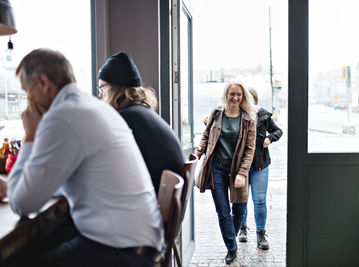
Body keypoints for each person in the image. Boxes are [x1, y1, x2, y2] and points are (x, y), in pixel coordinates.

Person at [7, 48, 164, 267]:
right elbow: (55, 183)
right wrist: (20, 186)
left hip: (122, 252)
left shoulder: (62, 117)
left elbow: (22, 204)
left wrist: (31, 136)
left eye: (27, 92)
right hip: (138, 241)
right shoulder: (93, 107)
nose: (29, 101)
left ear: (43, 82)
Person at [97, 51, 185, 195]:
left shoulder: (125, 119)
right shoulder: (143, 113)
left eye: (102, 89)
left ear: (114, 89)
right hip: (163, 199)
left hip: (151, 201)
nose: (99, 96)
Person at [195, 81, 256, 264]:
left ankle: (231, 237)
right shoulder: (216, 114)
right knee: (223, 211)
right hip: (217, 169)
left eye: (238, 94)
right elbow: (206, 135)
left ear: (243, 97)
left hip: (238, 171)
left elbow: (250, 149)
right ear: (226, 95)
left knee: (239, 210)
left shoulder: (248, 119)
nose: (235, 98)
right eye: (232, 94)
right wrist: (198, 152)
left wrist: (242, 173)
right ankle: (231, 247)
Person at [238, 87, 283, 250]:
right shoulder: (236, 115)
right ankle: (242, 229)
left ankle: (260, 234)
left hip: (260, 165)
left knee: (259, 200)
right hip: (241, 166)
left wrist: (270, 139)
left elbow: (278, 131)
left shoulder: (263, 115)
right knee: (241, 200)